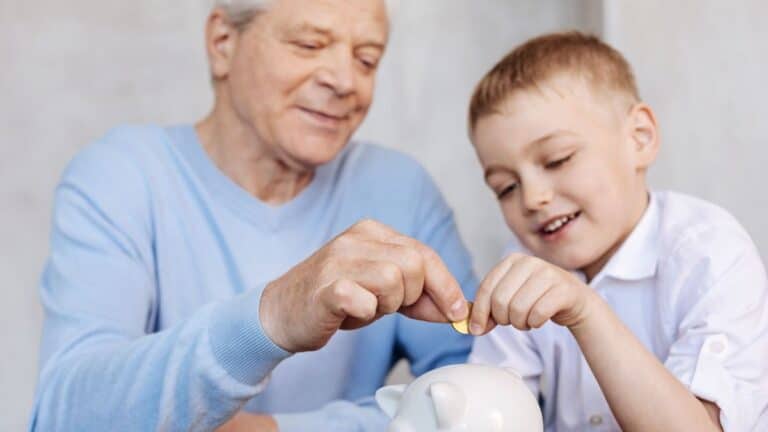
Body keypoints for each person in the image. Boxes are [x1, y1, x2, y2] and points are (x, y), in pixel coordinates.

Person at [29, 1, 477, 431]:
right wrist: (273, 316)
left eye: (367, 59)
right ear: (223, 42)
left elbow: (486, 392)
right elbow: (64, 418)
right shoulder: (121, 176)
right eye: (310, 44)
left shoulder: (400, 188)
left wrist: (270, 430)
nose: (345, 81)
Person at [465, 32, 768, 431]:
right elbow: (487, 411)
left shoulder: (710, 254)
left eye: (557, 160)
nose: (533, 198)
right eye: (506, 187)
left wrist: (585, 311)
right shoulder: (522, 267)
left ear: (639, 138)